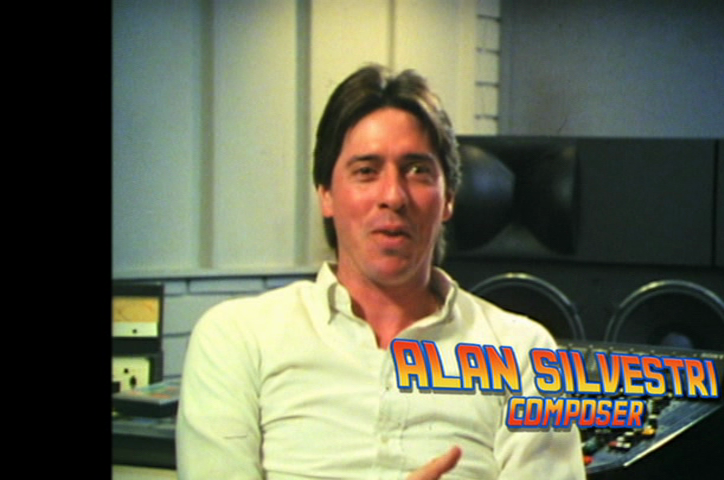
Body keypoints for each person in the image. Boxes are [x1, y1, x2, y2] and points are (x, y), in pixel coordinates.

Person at [176, 64, 586, 479]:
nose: (393, 195)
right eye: (366, 171)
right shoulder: (238, 338)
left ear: (448, 198)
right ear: (326, 195)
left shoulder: (522, 353)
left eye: (417, 170)